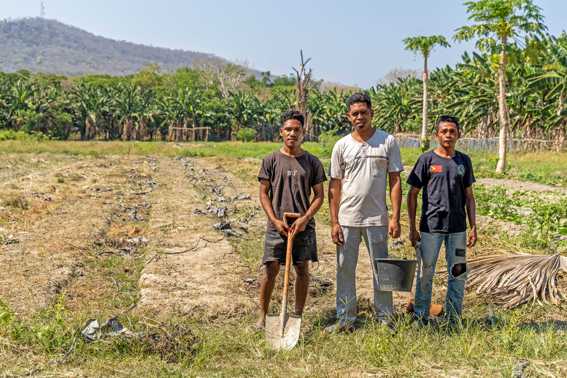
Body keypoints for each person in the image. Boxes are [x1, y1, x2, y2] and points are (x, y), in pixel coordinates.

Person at [327, 92, 403, 331]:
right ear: (349, 117)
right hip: (347, 219)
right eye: (355, 113)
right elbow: (335, 185)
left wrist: (395, 217)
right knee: (344, 270)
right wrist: (334, 222)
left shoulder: (387, 141)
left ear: (372, 113)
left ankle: (385, 319)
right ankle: (346, 318)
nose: (360, 117)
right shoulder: (342, 146)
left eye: (364, 112)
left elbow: (395, 181)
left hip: (377, 219)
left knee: (382, 270)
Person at [256, 109, 327, 329]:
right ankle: (263, 316)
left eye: (297, 130)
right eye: (288, 129)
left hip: (302, 226)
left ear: (303, 133)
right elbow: (263, 194)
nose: (292, 133)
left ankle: (296, 315)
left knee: (302, 269)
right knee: (271, 269)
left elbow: (319, 196)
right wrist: (275, 220)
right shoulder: (271, 160)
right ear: (281, 132)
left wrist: (305, 218)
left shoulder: (312, 162)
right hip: (277, 225)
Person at [407, 115, 477, 323]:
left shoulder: (464, 161)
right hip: (431, 227)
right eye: (444, 131)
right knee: (425, 272)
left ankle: (454, 317)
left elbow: (469, 196)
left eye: (452, 131)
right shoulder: (426, 160)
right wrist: (412, 227)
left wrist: (473, 226)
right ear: (437, 134)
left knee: (458, 272)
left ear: (458, 134)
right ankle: (420, 316)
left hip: (457, 229)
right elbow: (412, 194)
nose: (448, 135)